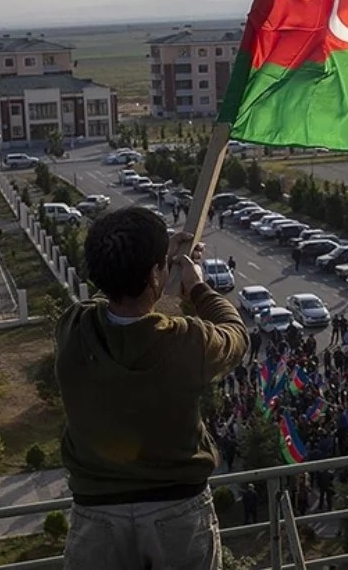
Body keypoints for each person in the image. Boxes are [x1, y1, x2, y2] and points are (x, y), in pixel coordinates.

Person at [55, 207, 249, 569]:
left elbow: (114, 302)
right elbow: (236, 335)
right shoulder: (186, 341)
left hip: (96, 512)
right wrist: (196, 285)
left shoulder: (72, 329)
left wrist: (149, 265)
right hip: (177, 509)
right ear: (155, 273)